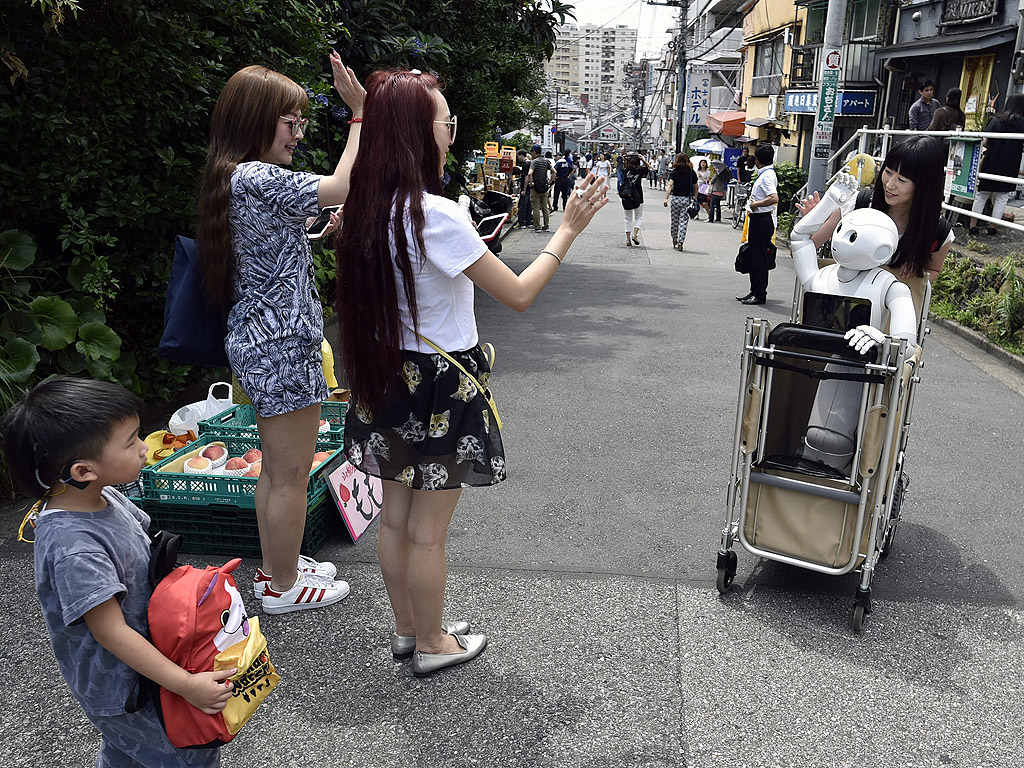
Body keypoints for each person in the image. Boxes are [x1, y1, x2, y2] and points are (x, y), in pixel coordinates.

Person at [333, 68, 610, 677]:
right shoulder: (439, 216)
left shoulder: (363, 209)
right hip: (440, 384)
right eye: (446, 122)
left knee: (395, 517)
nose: (451, 133)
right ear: (415, 134)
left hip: (386, 375)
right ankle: (433, 643)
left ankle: (410, 630)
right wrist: (566, 231)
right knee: (429, 531)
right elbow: (517, 294)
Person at [197, 56, 361, 613]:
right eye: (289, 122)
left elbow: (267, 259)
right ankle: (285, 588)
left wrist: (315, 233)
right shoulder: (261, 177)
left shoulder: (232, 176)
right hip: (284, 345)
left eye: (300, 122)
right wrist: (360, 115)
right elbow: (342, 183)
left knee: (276, 467)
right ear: (255, 121)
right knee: (291, 471)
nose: (297, 133)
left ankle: (279, 570)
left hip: (260, 340)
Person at [3, 377, 235, 767]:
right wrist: (187, 685)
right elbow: (111, 632)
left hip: (150, 663)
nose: (146, 447)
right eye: (131, 441)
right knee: (184, 754)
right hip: (127, 687)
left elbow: (146, 553)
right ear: (82, 470)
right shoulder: (73, 548)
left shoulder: (105, 495)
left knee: (129, 753)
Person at [795, 134, 952, 305]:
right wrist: (814, 220)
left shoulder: (938, 231)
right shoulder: (857, 205)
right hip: (837, 310)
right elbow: (807, 246)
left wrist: (917, 271)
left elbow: (933, 270)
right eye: (888, 172)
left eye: (902, 179)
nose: (890, 184)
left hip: (888, 321)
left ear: (924, 186)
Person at [969, 93, 1024, 236]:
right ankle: (992, 227)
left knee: (982, 195)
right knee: (1002, 197)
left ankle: (973, 226)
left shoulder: (995, 121)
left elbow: (985, 142)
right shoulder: (1022, 123)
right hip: (1010, 164)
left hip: (992, 161)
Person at [736, 144, 778, 305]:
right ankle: (754, 291)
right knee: (755, 256)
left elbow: (774, 198)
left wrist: (756, 204)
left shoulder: (767, 176)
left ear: (758, 159)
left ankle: (759, 293)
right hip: (759, 219)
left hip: (761, 219)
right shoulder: (766, 174)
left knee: (759, 258)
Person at [664, 152, 697, 251]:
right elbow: (696, 186)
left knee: (674, 221)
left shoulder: (674, 172)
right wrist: (695, 198)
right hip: (686, 200)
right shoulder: (691, 172)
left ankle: (674, 238)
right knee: (683, 222)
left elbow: (670, 185)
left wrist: (666, 198)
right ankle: (680, 241)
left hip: (675, 199)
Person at [619, 152, 650, 247]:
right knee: (638, 217)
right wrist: (643, 160)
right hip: (638, 195)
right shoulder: (640, 170)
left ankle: (628, 239)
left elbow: (621, 167)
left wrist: (625, 159)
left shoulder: (625, 170)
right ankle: (635, 234)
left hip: (626, 194)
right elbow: (650, 169)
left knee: (627, 218)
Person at [527, 146, 553, 231]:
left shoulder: (534, 162)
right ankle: (546, 225)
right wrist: (550, 182)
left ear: (534, 152)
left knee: (536, 207)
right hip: (544, 186)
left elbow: (530, 173)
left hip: (536, 187)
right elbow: (554, 171)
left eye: (532, 152)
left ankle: (537, 226)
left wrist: (531, 183)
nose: (531, 153)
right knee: (544, 207)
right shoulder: (546, 161)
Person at [516, 149, 532, 228]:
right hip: (530, 187)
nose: (518, 158)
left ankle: (522, 223)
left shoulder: (526, 164)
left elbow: (526, 176)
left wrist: (524, 189)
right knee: (528, 205)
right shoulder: (530, 163)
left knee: (522, 205)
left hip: (526, 187)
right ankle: (529, 222)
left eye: (518, 156)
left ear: (522, 155)